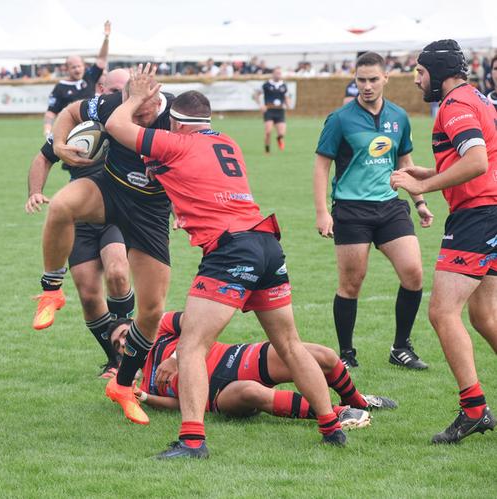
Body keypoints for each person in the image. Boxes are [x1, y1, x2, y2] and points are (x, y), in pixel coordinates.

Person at [105, 65, 347, 459]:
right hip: (266, 241)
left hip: (231, 249)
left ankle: (192, 441)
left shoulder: (178, 143)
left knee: (191, 347)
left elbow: (117, 126)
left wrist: (132, 98)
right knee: (288, 343)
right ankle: (331, 426)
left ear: (179, 125)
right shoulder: (228, 143)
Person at [35, 72, 175, 428]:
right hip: (109, 189)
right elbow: (69, 112)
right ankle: (51, 291)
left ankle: (123, 384)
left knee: (153, 308)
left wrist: (186, 209)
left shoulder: (176, 115)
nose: (133, 120)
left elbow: (197, 164)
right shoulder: (115, 104)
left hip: (151, 211)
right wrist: (61, 143)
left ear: (156, 100)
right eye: (129, 109)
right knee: (61, 206)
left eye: (141, 114)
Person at [391, 39, 497, 444]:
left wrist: (428, 186)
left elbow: (476, 162)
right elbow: (471, 155)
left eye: (420, 72)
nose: (417, 80)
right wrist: (422, 172)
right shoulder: (479, 100)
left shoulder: (455, 106)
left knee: (442, 312)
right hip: (490, 210)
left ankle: (474, 410)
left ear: (438, 72)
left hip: (477, 215)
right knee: (484, 315)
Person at [314, 52, 434, 370]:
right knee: (351, 283)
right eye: (360, 80)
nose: (366, 86)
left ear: (385, 79)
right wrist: (322, 211)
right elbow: (321, 165)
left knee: (414, 273)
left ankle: (401, 347)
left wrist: (419, 201)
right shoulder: (340, 119)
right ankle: (346, 354)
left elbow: (404, 162)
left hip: (390, 206)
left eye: (372, 79)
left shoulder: (399, 116)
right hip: (351, 210)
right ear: (355, 80)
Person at [26, 69, 133, 378]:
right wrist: (35, 191)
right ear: (100, 89)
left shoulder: (133, 121)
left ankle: (128, 351)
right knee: (88, 295)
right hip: (79, 218)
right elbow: (44, 156)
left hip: (114, 212)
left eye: (124, 90)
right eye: (114, 90)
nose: (120, 96)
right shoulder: (82, 122)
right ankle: (115, 361)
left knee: (117, 272)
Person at [108, 313, 396, 424]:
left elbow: (200, 322)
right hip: (219, 394)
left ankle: (357, 401)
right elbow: (178, 402)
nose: (124, 340)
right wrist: (143, 398)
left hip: (236, 357)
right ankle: (338, 413)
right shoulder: (143, 381)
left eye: (125, 332)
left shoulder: (161, 326)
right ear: (120, 355)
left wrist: (177, 356)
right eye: (118, 342)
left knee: (325, 356)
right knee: (252, 393)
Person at [43, 21, 110, 137]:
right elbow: (51, 112)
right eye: (73, 67)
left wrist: (106, 38)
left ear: (84, 66)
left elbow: (102, 59)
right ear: (67, 69)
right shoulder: (60, 87)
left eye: (79, 66)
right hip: (69, 130)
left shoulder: (90, 77)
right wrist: (47, 130)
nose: (77, 69)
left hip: (92, 128)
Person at [254, 67, 291, 154]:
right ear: (273, 74)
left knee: (282, 133)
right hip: (269, 110)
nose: (278, 75)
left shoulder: (283, 85)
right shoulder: (266, 85)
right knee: (268, 131)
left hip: (280, 111)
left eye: (280, 73)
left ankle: (279, 139)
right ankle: (267, 150)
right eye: (277, 73)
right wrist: (261, 105)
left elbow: (286, 97)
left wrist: (288, 104)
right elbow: (256, 95)